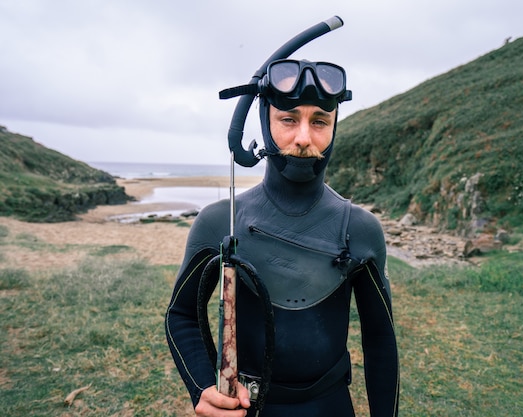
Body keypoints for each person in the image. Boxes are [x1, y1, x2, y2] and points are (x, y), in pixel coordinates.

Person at [165, 58, 399, 417]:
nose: (304, 138)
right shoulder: (220, 222)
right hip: (247, 408)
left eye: (319, 121)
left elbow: (381, 340)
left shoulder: (360, 229)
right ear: (264, 121)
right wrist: (202, 387)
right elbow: (180, 315)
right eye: (288, 119)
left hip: (331, 406)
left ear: (334, 127)